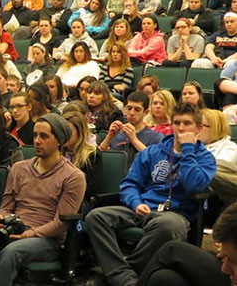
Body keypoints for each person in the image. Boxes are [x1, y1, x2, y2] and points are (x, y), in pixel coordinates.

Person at [85, 102, 217, 286]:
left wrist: (187, 150)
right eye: (177, 123)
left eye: (187, 123)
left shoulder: (206, 158)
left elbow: (194, 186)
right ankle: (124, 279)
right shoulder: (153, 152)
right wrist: (136, 203)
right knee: (95, 217)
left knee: (168, 226)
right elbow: (130, 183)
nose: (181, 128)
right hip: (142, 208)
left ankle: (116, 276)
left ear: (199, 128)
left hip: (175, 215)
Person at [0, 113, 86, 286]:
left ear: (59, 141)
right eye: (35, 135)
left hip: (47, 240)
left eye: (44, 136)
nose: (36, 141)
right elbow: (6, 206)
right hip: (14, 228)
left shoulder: (73, 176)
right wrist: (2, 219)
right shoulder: (19, 168)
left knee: (11, 253)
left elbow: (61, 224)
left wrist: (28, 234)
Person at [100, 90, 163, 157]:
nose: (132, 113)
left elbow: (154, 159)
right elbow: (100, 155)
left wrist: (134, 140)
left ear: (146, 112)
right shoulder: (116, 132)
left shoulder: (155, 137)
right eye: (129, 108)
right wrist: (109, 136)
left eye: (137, 110)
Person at [199, 109, 237, 206]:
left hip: (223, 196)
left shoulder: (230, 147)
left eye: (200, 126)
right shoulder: (192, 146)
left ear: (214, 128)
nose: (196, 129)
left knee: (212, 173)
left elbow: (216, 168)